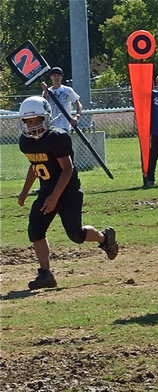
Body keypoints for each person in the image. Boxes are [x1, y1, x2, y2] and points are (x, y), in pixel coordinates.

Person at [16, 96, 118, 290]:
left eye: (36, 120)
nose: (32, 125)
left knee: (75, 234)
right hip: (47, 191)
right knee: (35, 230)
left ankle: (105, 238)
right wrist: (24, 191)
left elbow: (67, 169)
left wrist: (55, 197)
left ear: (45, 118)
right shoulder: (26, 142)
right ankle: (45, 274)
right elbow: (34, 166)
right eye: (28, 121)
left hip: (68, 192)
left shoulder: (57, 137)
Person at [40, 67, 82, 133]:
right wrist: (45, 91)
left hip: (64, 126)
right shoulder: (47, 92)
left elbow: (78, 104)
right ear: (51, 77)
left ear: (61, 77)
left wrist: (77, 116)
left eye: (58, 75)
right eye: (54, 75)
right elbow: (43, 105)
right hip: (51, 126)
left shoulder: (68, 90)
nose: (56, 77)